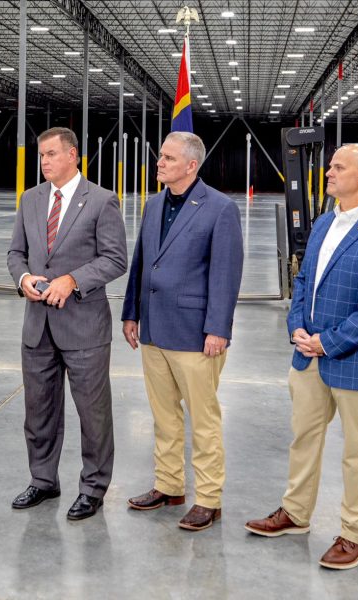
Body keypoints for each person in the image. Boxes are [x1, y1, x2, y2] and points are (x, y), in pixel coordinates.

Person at [244, 144, 358, 569]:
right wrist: (296, 326)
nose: (329, 173)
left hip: (357, 356)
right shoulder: (323, 222)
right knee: (303, 438)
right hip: (308, 354)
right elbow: (302, 279)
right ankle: (295, 513)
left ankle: (355, 536)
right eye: (331, 166)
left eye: (339, 167)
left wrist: (328, 342)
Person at [121, 132, 243, 531]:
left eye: (169, 158)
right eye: (161, 156)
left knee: (203, 421)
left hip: (195, 334)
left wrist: (218, 329)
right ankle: (169, 485)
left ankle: (208, 499)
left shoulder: (220, 208)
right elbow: (142, 262)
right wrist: (131, 313)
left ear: (192, 165)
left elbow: (226, 274)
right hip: (154, 329)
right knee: (164, 416)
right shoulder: (154, 204)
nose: (160, 162)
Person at [7, 127, 127, 521]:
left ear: (73, 155)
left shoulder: (102, 201)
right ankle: (43, 480)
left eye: (52, 154)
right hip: (37, 327)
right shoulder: (30, 199)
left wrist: (73, 280)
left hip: (84, 328)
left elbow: (115, 259)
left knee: (93, 415)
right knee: (38, 411)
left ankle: (93, 488)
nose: (44, 161)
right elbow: (16, 253)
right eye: (41, 155)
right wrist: (24, 279)